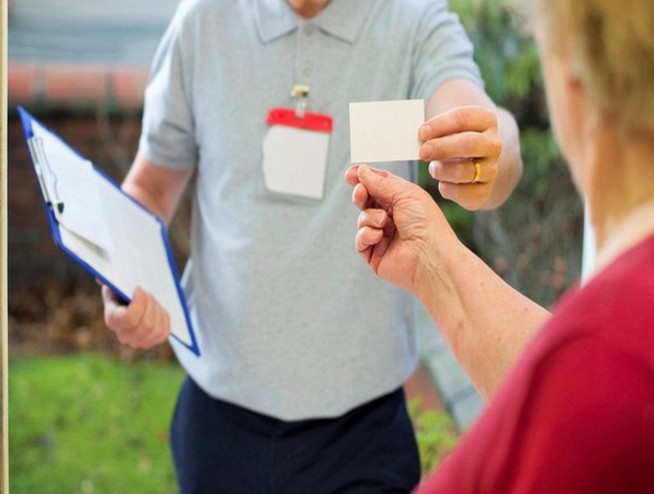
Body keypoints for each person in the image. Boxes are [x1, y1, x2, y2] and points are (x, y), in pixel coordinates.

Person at [102, 0, 523, 491]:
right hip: (219, 415)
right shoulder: (202, 21)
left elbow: (476, 120)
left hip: (364, 430)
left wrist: (492, 147)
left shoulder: (413, 19)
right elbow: (150, 186)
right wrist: (121, 275)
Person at [347, 0, 654, 491]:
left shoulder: (610, 345)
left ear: (573, 67)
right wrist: (432, 263)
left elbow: (584, 385)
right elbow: (564, 386)